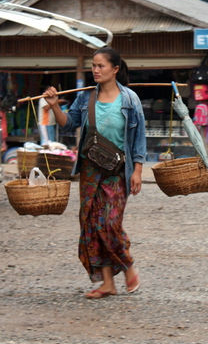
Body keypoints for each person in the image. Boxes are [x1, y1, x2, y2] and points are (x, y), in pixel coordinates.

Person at [43, 47, 146, 299]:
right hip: (90, 170)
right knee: (91, 223)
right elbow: (69, 125)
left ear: (115, 69)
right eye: (93, 66)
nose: (96, 70)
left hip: (118, 171)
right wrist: (55, 107)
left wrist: (138, 171)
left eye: (101, 66)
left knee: (110, 223)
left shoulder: (130, 100)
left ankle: (127, 263)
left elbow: (139, 138)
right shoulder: (86, 97)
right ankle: (107, 283)